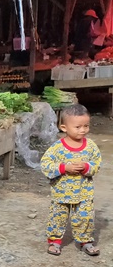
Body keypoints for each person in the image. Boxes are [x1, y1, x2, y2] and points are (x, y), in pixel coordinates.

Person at [40, 104, 102, 256]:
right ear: (64, 127)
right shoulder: (57, 148)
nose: (83, 130)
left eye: (86, 126)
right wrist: (64, 168)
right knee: (58, 217)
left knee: (85, 217)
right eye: (78, 127)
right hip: (61, 193)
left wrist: (86, 167)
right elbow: (45, 164)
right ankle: (54, 242)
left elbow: (96, 163)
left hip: (83, 192)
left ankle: (86, 242)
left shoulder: (91, 147)